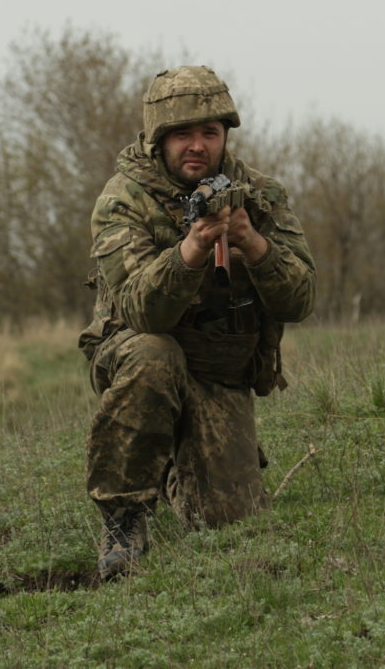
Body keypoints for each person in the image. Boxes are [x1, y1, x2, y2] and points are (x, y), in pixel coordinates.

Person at [77, 66, 316, 579]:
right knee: (152, 354)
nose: (197, 146)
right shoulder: (123, 200)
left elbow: (301, 299)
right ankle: (123, 517)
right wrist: (191, 249)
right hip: (137, 354)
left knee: (229, 522)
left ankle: (176, 468)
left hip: (218, 369)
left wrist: (253, 243)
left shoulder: (259, 195)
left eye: (209, 133)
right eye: (183, 133)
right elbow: (142, 311)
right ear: (159, 138)